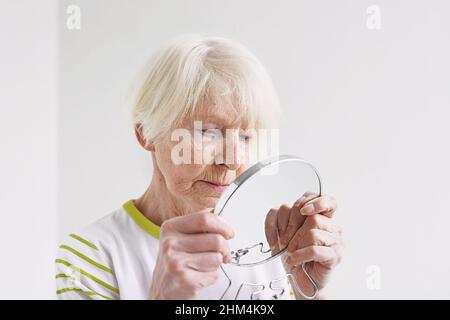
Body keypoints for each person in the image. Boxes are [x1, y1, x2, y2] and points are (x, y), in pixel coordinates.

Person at [55, 34, 343, 300]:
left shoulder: (273, 245)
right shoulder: (88, 258)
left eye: (245, 136)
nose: (231, 160)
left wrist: (309, 293)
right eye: (207, 131)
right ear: (146, 133)